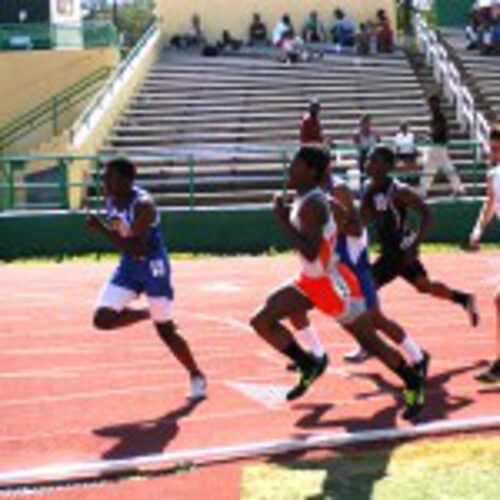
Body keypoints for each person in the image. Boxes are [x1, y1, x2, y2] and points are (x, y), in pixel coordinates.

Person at [250, 146, 426, 420]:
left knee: (371, 341)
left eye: (294, 164)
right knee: (262, 320)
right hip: (311, 280)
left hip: (331, 285)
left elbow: (310, 251)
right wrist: (333, 228)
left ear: (310, 171)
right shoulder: (313, 198)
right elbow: (344, 214)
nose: (289, 169)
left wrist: (283, 220)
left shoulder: (313, 204)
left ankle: (412, 380)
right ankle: (308, 363)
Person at [284, 156, 429, 374]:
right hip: (330, 264)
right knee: (294, 305)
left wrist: (326, 227)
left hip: (351, 261)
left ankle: (417, 357)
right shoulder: (312, 191)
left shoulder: (337, 188)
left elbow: (356, 227)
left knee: (375, 318)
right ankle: (314, 355)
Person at [86, 158, 207, 400]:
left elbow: (139, 248)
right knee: (102, 319)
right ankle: (146, 312)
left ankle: (196, 375)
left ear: (126, 180)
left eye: (109, 177)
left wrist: (101, 230)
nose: (104, 182)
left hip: (153, 265)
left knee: (165, 331)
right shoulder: (112, 200)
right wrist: (109, 231)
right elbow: (125, 241)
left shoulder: (143, 205)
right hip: (129, 265)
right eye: (104, 177)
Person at [345, 146, 479, 362]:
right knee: (424, 286)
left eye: (374, 160)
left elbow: (427, 214)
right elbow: (364, 220)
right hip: (392, 251)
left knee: (363, 293)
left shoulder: (399, 190)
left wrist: (415, 245)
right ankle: (464, 299)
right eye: (368, 159)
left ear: (387, 166)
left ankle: (368, 345)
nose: (368, 163)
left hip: (399, 252)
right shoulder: (368, 188)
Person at [469, 126, 500, 383]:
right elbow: (490, 204)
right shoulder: (493, 174)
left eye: (498, 149)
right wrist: (478, 229)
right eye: (492, 148)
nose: (493, 152)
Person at [420, 95, 465, 198]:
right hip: (437, 146)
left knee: (438, 168)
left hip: (438, 146)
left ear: (435, 103)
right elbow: (435, 132)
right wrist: (428, 135)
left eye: (431, 103)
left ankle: (459, 189)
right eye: (429, 103)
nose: (429, 105)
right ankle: (458, 189)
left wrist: (427, 135)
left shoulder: (439, 116)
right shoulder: (436, 116)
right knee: (432, 168)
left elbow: (436, 132)